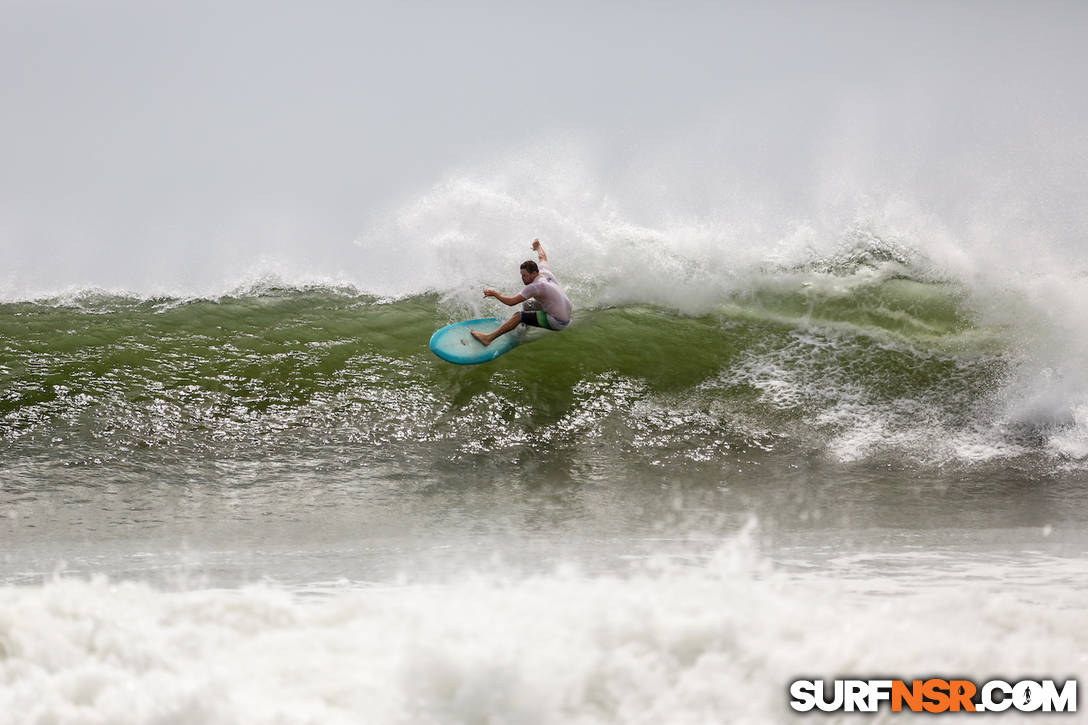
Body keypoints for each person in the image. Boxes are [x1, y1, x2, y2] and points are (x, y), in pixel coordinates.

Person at [471, 239, 572, 346]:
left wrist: (496, 294)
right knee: (527, 305)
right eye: (521, 275)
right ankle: (522, 328)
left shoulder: (535, 286)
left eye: (525, 275)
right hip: (566, 315)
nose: (522, 278)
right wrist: (538, 247)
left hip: (557, 321)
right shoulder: (545, 271)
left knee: (519, 315)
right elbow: (542, 257)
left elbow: (511, 302)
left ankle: (488, 338)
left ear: (533, 273)